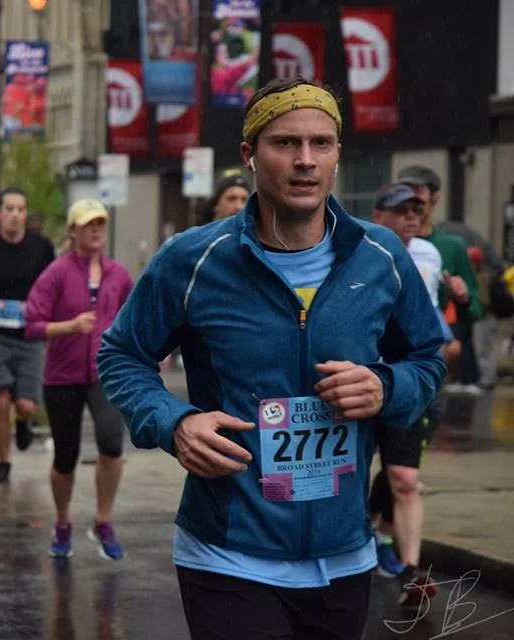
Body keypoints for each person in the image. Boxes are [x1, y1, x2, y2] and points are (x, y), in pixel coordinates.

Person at [98, 78, 446, 638]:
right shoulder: (193, 260)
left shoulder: (382, 258)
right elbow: (122, 354)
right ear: (250, 155)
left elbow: (428, 359)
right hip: (227, 553)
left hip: (344, 555)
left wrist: (387, 387)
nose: (305, 161)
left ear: (337, 154)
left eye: (322, 144)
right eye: (285, 143)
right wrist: (174, 423)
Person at [25, 199, 133, 560]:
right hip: (62, 376)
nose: (96, 229)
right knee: (66, 455)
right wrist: (69, 327)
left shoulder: (118, 274)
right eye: (88, 224)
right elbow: (33, 325)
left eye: (101, 223)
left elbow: (133, 317)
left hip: (105, 373)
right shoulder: (55, 273)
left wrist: (151, 352)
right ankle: (62, 520)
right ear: (73, 231)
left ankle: (103, 520)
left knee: (111, 443)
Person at [368, 183, 460, 600]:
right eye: (400, 209)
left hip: (408, 380)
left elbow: (431, 314)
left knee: (404, 476)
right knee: (347, 470)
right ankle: (366, 536)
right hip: (357, 377)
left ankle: (411, 569)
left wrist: (446, 333)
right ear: (377, 214)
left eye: (415, 210)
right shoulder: (360, 250)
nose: (410, 217)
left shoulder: (429, 254)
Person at [0, 187, 56, 483]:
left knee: (26, 404)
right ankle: (3, 461)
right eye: (10, 209)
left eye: (20, 209)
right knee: (1, 399)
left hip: (30, 334)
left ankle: (24, 422)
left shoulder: (41, 247)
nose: (15, 215)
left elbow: (53, 284)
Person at [397, 166, 481, 391]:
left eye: (417, 190)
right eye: (404, 189)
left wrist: (462, 296)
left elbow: (474, 308)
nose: (410, 197)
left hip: (430, 348)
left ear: (434, 198)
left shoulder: (450, 246)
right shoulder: (383, 240)